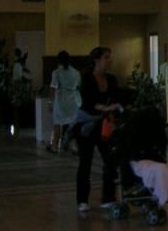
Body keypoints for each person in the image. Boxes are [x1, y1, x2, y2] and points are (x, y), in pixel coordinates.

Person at [75, 46, 143, 213]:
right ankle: (82, 200)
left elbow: (117, 95)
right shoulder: (87, 78)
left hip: (105, 125)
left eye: (109, 57)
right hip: (87, 124)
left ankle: (108, 197)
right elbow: (88, 102)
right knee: (85, 162)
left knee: (110, 159)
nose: (109, 60)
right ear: (97, 60)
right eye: (106, 57)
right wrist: (106, 108)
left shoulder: (111, 79)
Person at [47, 50, 81, 153]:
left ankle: (54, 146)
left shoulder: (56, 72)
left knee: (57, 123)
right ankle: (73, 146)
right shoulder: (76, 72)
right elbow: (78, 86)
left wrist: (50, 102)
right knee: (72, 124)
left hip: (61, 100)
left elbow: (53, 87)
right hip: (73, 100)